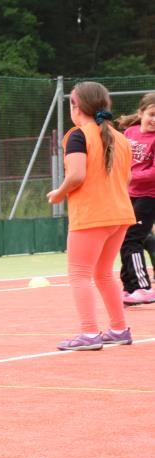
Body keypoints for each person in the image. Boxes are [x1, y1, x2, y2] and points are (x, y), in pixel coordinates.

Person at [47, 81, 136, 350]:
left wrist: (59, 193)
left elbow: (76, 175)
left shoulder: (78, 135)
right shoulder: (120, 138)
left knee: (79, 274)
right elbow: (127, 178)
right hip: (120, 214)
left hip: (92, 215)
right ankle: (119, 329)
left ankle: (89, 333)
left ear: (76, 106)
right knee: (104, 273)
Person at [115, 93, 155, 305]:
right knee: (123, 239)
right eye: (152, 114)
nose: (154, 120)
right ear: (141, 113)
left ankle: (143, 287)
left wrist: (130, 175)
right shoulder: (129, 132)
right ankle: (129, 287)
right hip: (127, 194)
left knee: (132, 239)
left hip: (148, 197)